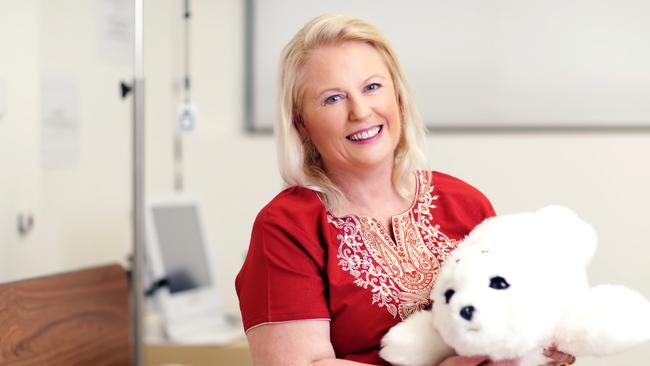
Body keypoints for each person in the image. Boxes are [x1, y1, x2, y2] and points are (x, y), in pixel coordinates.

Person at [235, 14, 574, 366]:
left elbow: (516, 305)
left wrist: (544, 346)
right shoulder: (287, 227)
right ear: (301, 123)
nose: (361, 111)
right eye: (333, 98)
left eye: (372, 87)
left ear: (397, 94)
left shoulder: (464, 203)